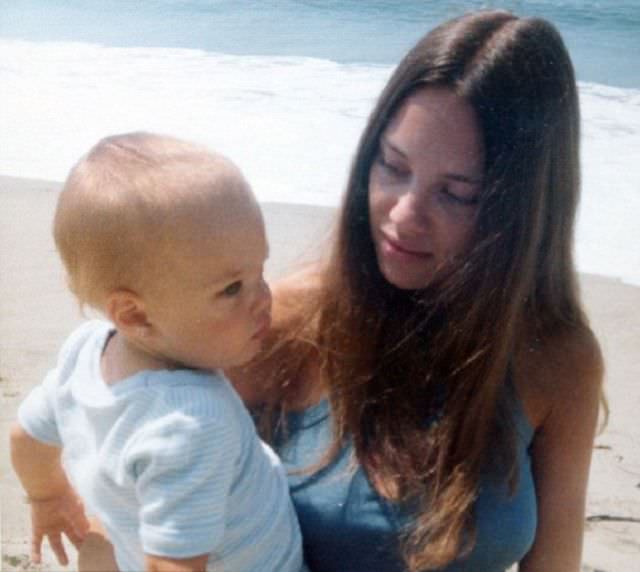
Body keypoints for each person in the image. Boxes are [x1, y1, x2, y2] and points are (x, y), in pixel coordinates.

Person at [76, 9, 604, 572]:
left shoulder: (557, 357)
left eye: (457, 193)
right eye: (393, 166)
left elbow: (555, 562)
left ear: (522, 213)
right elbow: (113, 515)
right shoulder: (277, 325)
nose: (404, 215)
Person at [10, 133, 305, 572]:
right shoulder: (193, 422)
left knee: (102, 546)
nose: (264, 298)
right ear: (135, 316)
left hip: (133, 533)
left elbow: (26, 438)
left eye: (259, 272)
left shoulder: (87, 349)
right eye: (230, 289)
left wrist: (48, 497)